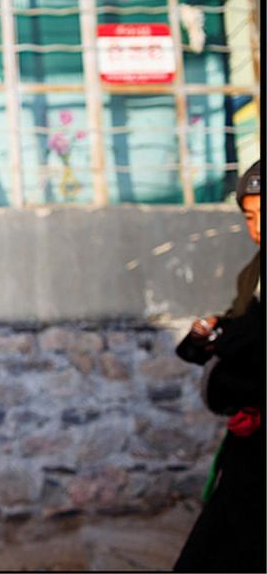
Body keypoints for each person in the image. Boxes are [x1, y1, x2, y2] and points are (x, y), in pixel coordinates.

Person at [173, 160, 264, 572]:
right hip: (250, 443)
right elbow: (244, 322)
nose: (258, 228)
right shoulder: (254, 273)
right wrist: (208, 335)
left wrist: (228, 338)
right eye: (250, 216)